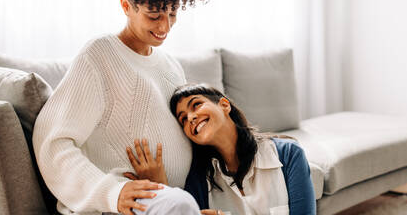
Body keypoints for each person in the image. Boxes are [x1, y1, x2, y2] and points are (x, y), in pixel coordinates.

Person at [32, 0, 207, 214]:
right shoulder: (99, 55)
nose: (165, 26)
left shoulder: (171, 66)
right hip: (127, 203)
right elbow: (52, 142)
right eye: (154, 15)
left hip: (171, 198)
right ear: (126, 6)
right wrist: (113, 193)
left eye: (173, 13)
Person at [125, 83, 317, 215]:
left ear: (224, 105)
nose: (190, 117)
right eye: (183, 119)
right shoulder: (199, 179)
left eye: (196, 105)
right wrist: (162, 187)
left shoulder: (288, 154)